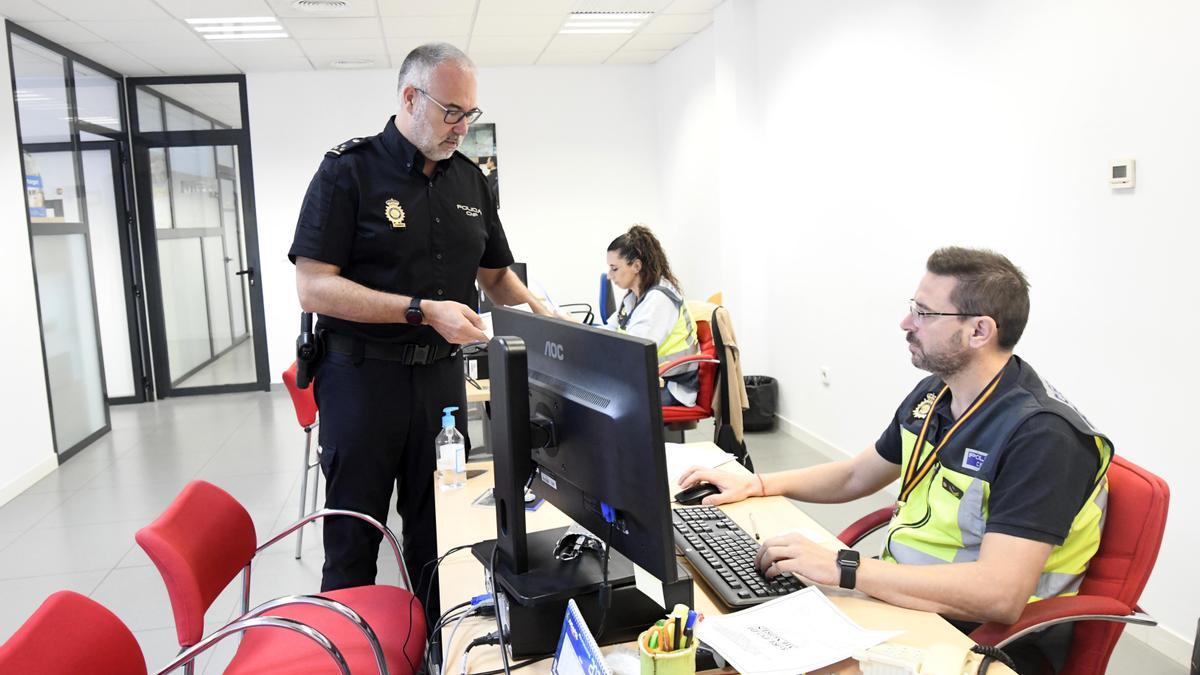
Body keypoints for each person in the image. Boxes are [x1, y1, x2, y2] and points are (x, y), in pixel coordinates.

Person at [679, 247, 1112, 673]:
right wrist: (759, 484)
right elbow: (855, 475)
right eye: (912, 308)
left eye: (924, 314)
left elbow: (1000, 594)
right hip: (906, 600)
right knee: (728, 635)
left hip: (981, 639)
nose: (906, 324)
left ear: (980, 331)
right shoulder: (938, 394)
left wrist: (844, 567)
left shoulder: (1042, 436)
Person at [287, 42, 554, 621]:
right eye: (451, 111)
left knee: (438, 534)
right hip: (361, 380)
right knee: (354, 537)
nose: (462, 126)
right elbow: (313, 287)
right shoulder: (348, 172)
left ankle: (437, 645)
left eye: (470, 113)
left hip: (439, 385)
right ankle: (352, 650)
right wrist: (421, 309)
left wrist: (540, 311)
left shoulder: (470, 182)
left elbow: (496, 274)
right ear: (410, 98)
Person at [604, 224, 701, 407]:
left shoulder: (658, 300)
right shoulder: (634, 298)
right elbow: (608, 332)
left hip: (672, 387)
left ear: (637, 266)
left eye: (614, 268)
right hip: (650, 381)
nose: (609, 275)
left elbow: (634, 354)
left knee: (606, 404)